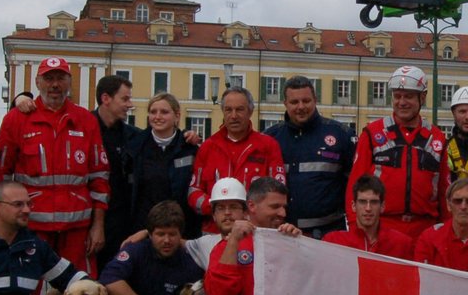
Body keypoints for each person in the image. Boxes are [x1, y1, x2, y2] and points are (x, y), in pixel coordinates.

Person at [0, 56, 110, 271]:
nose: (54, 85)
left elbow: (100, 178)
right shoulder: (16, 120)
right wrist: (4, 223)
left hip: (77, 229)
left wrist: (98, 225)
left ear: (69, 82)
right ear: (37, 82)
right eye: (48, 79)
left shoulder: (86, 120)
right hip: (30, 226)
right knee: (26, 290)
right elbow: (1, 176)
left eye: (60, 78)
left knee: (80, 292)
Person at [346, 65, 447, 242]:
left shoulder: (437, 138)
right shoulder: (372, 133)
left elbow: (445, 192)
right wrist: (356, 226)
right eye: (397, 96)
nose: (402, 102)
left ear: (422, 97)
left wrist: (446, 231)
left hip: (425, 230)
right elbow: (355, 184)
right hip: (381, 229)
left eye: (408, 96)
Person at [186, 85, 286, 235]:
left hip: (255, 233)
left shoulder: (268, 146)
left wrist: (246, 211)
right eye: (228, 110)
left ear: (250, 111)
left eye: (240, 109)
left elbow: (278, 192)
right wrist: (218, 207)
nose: (233, 115)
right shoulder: (208, 147)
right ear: (223, 112)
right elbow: (194, 191)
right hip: (214, 233)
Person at [266, 76, 354, 238]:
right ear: (285, 104)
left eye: (306, 101)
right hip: (283, 232)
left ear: (315, 100)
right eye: (294, 102)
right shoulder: (271, 138)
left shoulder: (341, 135)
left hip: (329, 232)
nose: (301, 107)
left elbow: (354, 184)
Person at [124, 91, 201, 237]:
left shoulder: (189, 149)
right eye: (153, 112)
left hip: (181, 230)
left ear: (177, 116)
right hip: (143, 229)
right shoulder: (134, 148)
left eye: (164, 112)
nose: (157, 117)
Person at [93, 74, 139, 257]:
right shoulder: (84, 129)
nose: (130, 104)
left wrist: (186, 136)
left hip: (123, 222)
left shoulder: (133, 136)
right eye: (125, 99)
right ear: (106, 99)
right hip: (91, 221)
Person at [326, 176, 416, 259]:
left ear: (382, 206)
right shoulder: (334, 242)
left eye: (374, 202)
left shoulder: (402, 244)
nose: (368, 208)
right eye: (362, 202)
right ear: (353, 206)